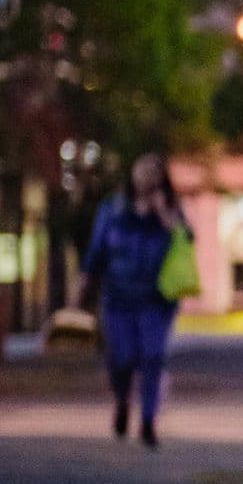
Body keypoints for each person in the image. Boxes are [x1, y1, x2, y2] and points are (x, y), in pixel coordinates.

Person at [81, 154, 190, 448]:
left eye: (153, 172)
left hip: (157, 299)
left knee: (153, 357)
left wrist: (164, 216)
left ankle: (148, 421)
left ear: (161, 178)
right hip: (118, 297)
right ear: (131, 174)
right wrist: (83, 286)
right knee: (122, 358)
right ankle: (121, 400)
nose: (146, 177)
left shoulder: (170, 209)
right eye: (141, 170)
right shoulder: (113, 209)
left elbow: (188, 242)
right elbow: (96, 251)